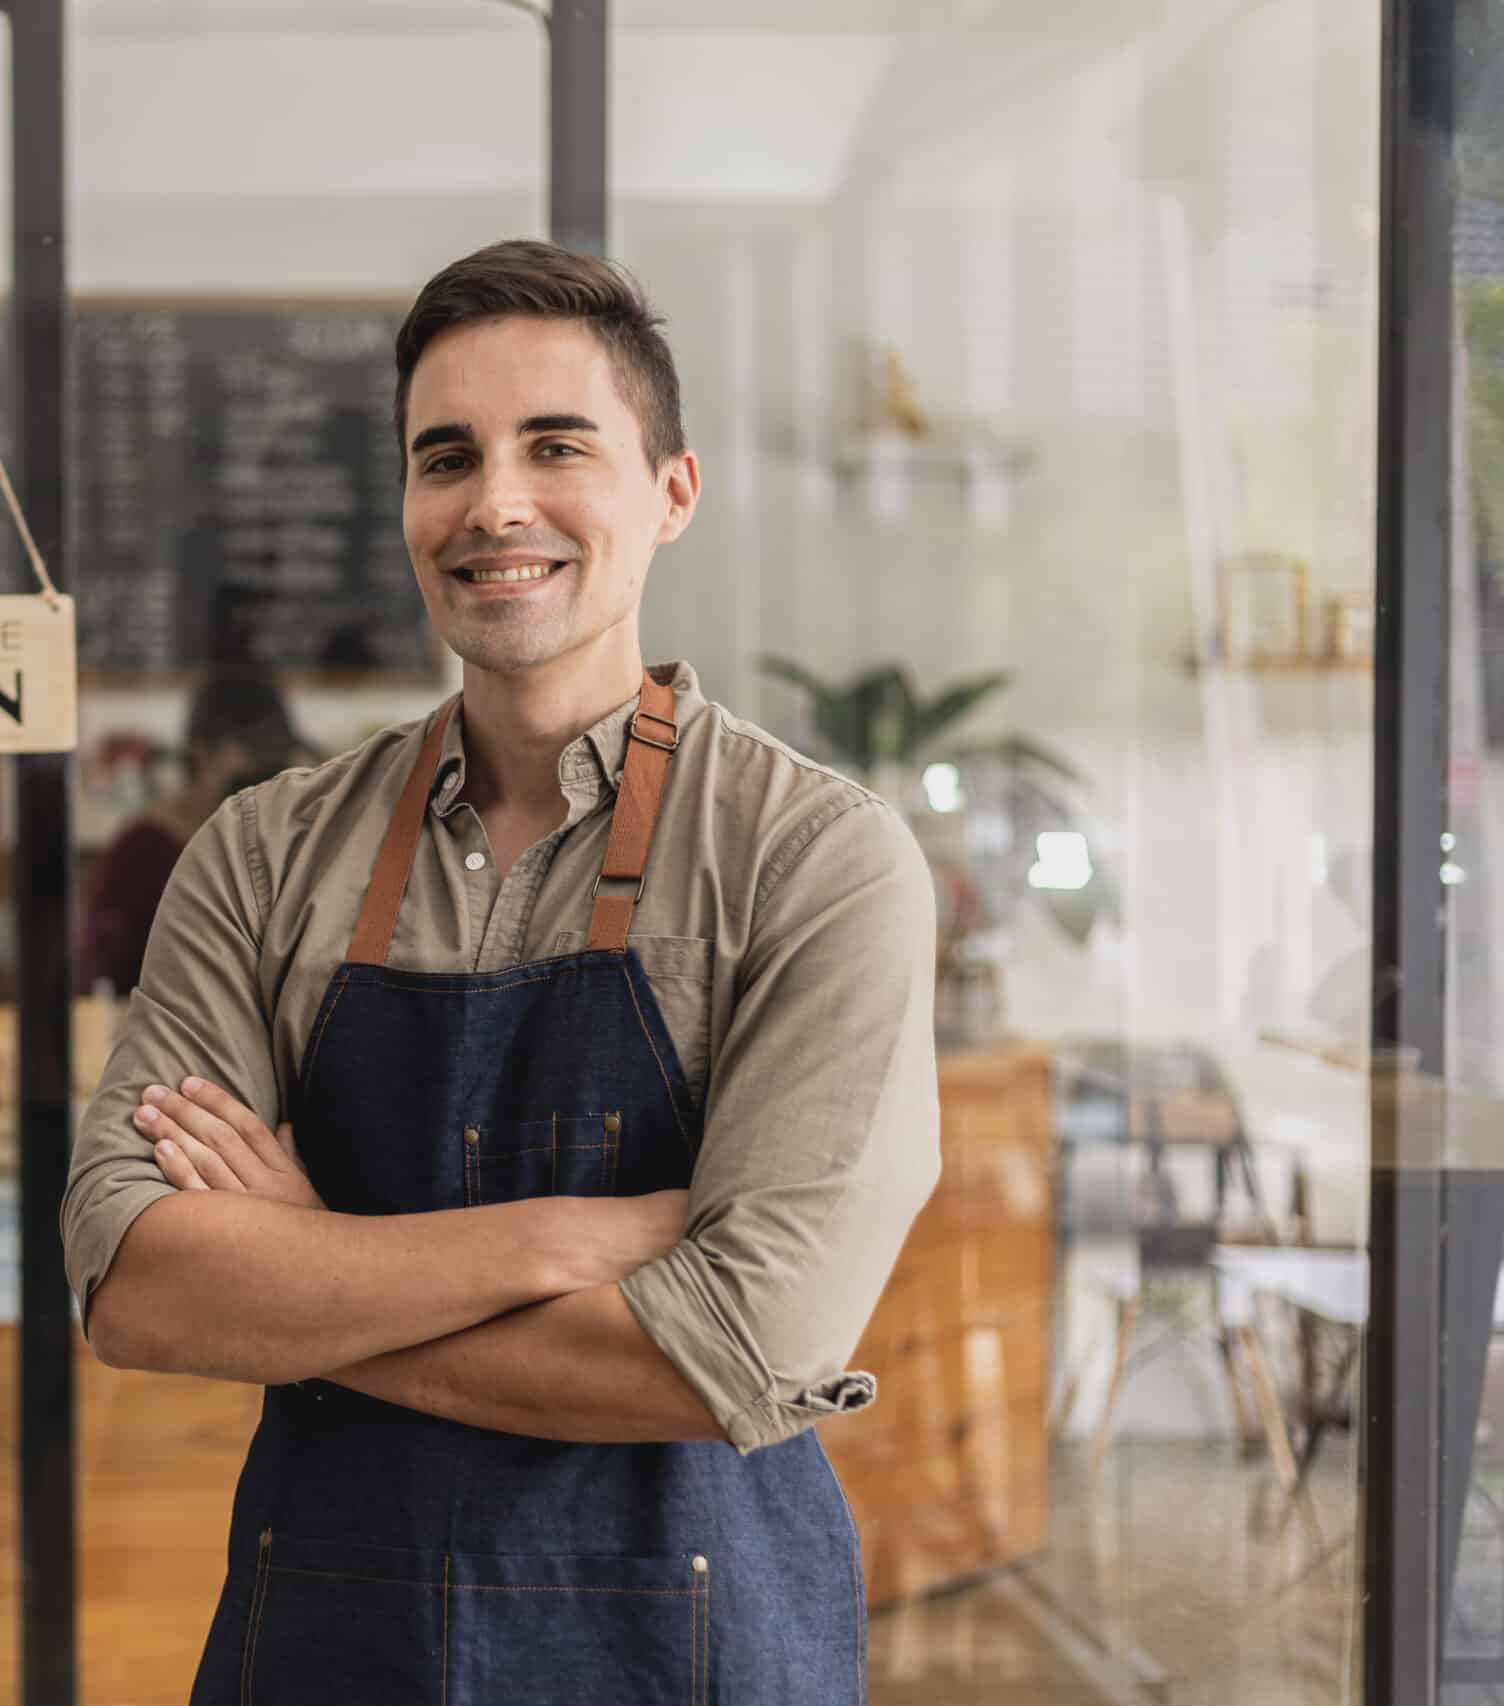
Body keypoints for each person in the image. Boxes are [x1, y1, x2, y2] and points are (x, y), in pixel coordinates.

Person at [59, 239, 940, 1703]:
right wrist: (564, 1242)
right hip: (330, 1647)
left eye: (556, 446)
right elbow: (137, 1284)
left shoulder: (814, 859)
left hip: (693, 1655)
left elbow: (741, 1345)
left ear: (671, 491)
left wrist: (312, 1266)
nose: (495, 503)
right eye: (447, 456)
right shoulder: (263, 853)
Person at [76, 666, 310, 995]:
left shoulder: (286, 847)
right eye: (252, 770)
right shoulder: (142, 853)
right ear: (201, 755)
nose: (267, 785)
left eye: (277, 767)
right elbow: (101, 985)